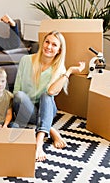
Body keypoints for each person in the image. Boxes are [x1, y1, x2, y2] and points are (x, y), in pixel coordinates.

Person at [12, 31, 85, 162]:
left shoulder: (59, 69)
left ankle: (38, 144)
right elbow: (16, 89)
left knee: (46, 96)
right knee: (18, 96)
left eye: (54, 45)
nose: (49, 47)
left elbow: (51, 93)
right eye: (47, 42)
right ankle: (50, 129)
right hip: (25, 107)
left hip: (47, 108)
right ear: (42, 43)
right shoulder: (26, 60)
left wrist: (69, 71)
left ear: (59, 50)